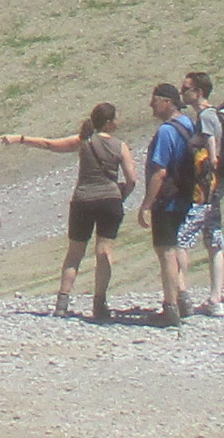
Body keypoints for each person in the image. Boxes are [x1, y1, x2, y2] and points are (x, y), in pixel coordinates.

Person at [10, 102, 132, 321]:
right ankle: (100, 303)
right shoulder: (120, 146)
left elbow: (49, 144)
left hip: (82, 200)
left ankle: (62, 301)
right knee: (104, 251)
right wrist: (121, 194)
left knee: (75, 253)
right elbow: (132, 178)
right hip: (109, 200)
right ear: (109, 123)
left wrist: (20, 138)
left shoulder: (83, 141)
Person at [138, 83, 201, 325]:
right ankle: (183, 295)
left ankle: (170, 306)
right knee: (177, 247)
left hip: (168, 199)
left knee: (165, 251)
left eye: (155, 100)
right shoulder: (189, 124)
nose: (151, 105)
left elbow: (159, 172)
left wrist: (147, 204)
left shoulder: (166, 131)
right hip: (187, 196)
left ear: (167, 102)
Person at [182, 68, 224, 315]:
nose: (182, 93)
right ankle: (215, 298)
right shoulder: (214, 114)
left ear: (198, 92)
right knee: (214, 238)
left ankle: (181, 297)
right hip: (218, 186)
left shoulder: (206, 117)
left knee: (182, 239)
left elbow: (211, 152)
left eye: (185, 89)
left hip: (206, 187)